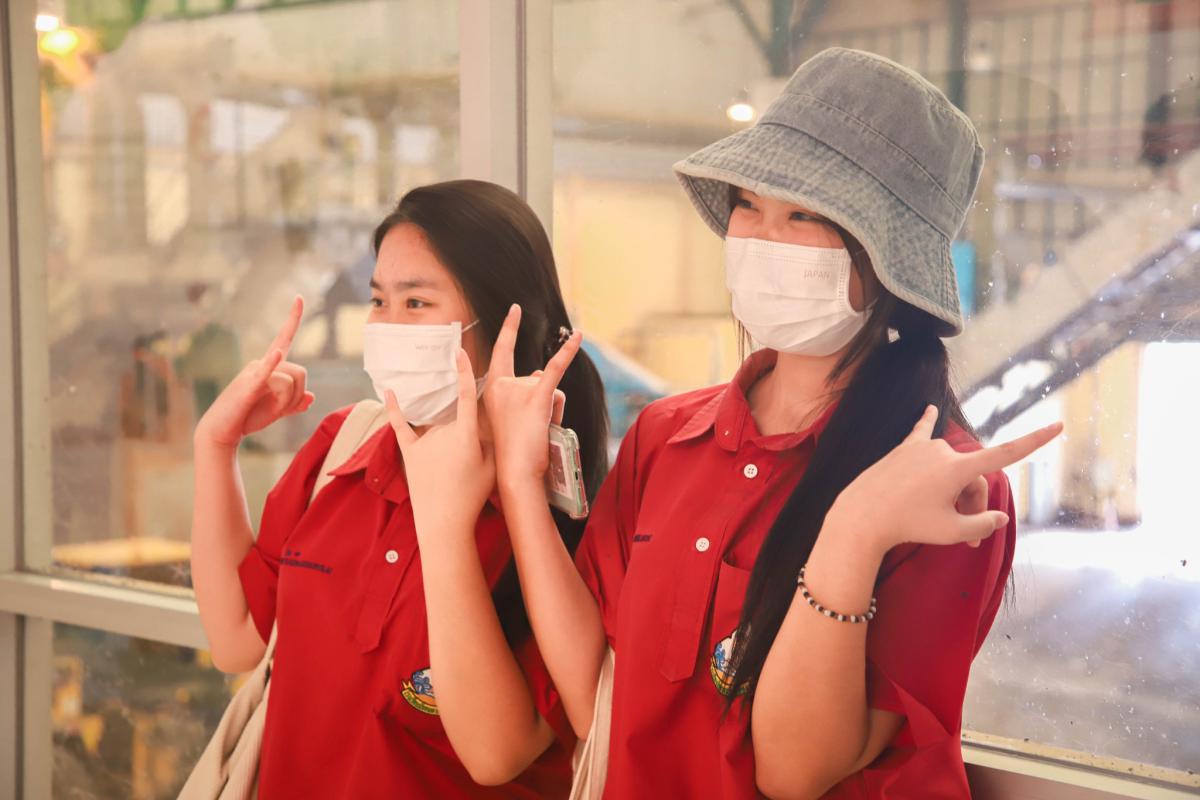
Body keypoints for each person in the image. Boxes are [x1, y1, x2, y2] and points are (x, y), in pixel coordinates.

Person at [490, 48, 1063, 798]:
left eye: (804, 215)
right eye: (748, 206)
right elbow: (592, 688)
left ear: (888, 260)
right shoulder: (666, 435)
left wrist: (853, 532)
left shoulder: (945, 482)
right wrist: (520, 483)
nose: (762, 238)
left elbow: (798, 771)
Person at [189, 179, 607, 798]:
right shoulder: (343, 448)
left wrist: (445, 523)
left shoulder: (541, 508)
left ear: (506, 325)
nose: (386, 325)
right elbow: (236, 640)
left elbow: (496, 755)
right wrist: (215, 444)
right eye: (378, 300)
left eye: (416, 303)